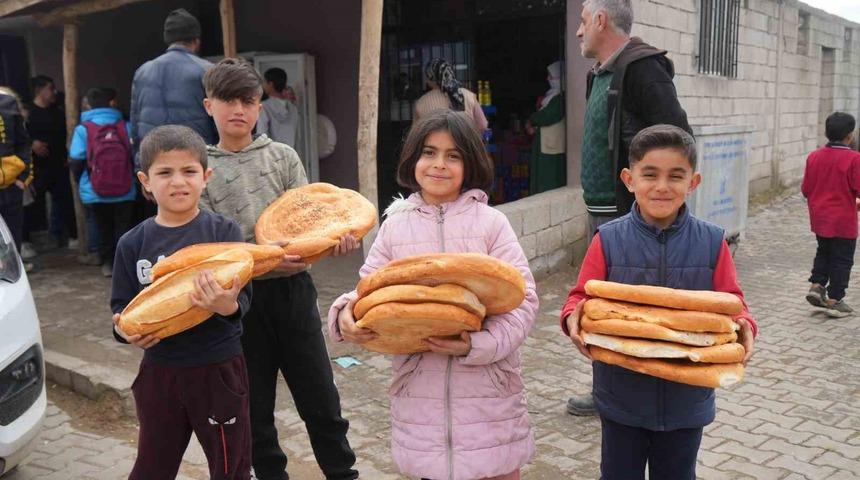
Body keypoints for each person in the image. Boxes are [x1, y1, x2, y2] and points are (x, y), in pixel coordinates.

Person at [330, 110, 538, 480]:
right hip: (420, 400)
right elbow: (368, 290)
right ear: (414, 159)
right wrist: (346, 314)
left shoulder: (491, 224)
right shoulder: (395, 227)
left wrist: (476, 344)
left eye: (453, 155)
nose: (439, 164)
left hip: (489, 400)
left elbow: (523, 301)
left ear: (469, 163)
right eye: (429, 152)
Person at [561, 124, 757, 479]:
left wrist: (745, 324)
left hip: (688, 398)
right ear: (629, 179)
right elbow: (581, 296)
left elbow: (732, 301)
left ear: (693, 182)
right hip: (621, 396)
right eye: (650, 174)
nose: (662, 186)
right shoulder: (608, 239)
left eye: (675, 176)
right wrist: (573, 315)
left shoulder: (712, 242)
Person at [199, 58, 358, 480]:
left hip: (293, 292)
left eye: (248, 101)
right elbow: (211, 246)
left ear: (260, 106)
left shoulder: (283, 157)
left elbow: (309, 222)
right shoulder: (202, 170)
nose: (239, 110)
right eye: (228, 100)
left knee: (320, 398)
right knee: (254, 408)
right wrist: (260, 256)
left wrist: (333, 243)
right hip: (239, 301)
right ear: (209, 105)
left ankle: (342, 473)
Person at [569, 0, 692, 416]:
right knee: (602, 302)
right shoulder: (599, 74)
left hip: (627, 213)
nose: (579, 31)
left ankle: (635, 387)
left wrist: (651, 198)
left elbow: (677, 138)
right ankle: (609, 384)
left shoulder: (642, 69)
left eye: (583, 22)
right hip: (603, 210)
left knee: (630, 304)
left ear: (601, 20)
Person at [110, 125, 253, 479]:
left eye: (189, 171)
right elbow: (121, 309)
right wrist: (125, 333)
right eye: (165, 173)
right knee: (152, 467)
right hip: (159, 372)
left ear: (206, 177)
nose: (178, 182)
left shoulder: (224, 234)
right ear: (145, 181)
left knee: (230, 465)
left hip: (218, 370)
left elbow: (244, 302)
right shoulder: (132, 243)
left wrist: (225, 306)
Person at [130, 8, 216, 218]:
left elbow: (136, 125)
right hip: (195, 167)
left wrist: (142, 170)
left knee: (166, 226)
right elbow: (218, 123)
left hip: (158, 169)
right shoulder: (206, 70)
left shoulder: (143, 71)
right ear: (196, 40)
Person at [69, 87, 137, 277]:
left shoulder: (83, 129)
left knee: (102, 228)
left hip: (95, 189)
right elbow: (134, 155)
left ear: (89, 105)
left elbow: (76, 160)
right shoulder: (125, 126)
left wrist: (81, 181)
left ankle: (108, 263)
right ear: (112, 103)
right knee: (124, 228)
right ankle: (124, 265)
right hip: (125, 188)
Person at [801, 112, 860, 318]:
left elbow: (806, 189)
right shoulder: (854, 159)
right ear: (850, 136)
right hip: (843, 220)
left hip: (820, 219)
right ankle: (835, 300)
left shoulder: (814, 157)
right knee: (842, 259)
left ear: (826, 133)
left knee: (824, 251)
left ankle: (817, 285)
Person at [24, 74, 77, 251]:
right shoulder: (28, 113)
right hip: (36, 168)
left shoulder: (58, 112)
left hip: (58, 166)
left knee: (65, 202)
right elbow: (19, 137)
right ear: (40, 91)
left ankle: (72, 237)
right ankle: (25, 242)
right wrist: (32, 144)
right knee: (30, 205)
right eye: (50, 88)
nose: (54, 92)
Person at [414, 58, 488, 133]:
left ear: (430, 78)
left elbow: (416, 133)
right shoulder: (469, 95)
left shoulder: (421, 103)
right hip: (465, 139)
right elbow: (483, 125)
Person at [0, 86, 32, 254]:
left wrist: (23, 177)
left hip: (10, 186)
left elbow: (23, 142)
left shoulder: (7, 102)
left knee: (12, 243)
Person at [527, 60, 566, 194]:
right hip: (546, 142)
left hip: (552, 145)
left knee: (549, 177)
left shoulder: (559, 97)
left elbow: (548, 116)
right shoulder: (552, 95)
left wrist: (533, 119)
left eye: (551, 76)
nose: (548, 79)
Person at [257, 68, 300, 149]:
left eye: (264, 82)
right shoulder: (293, 108)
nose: (263, 86)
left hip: (272, 154)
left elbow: (262, 135)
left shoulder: (264, 107)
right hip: (290, 153)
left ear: (270, 84)